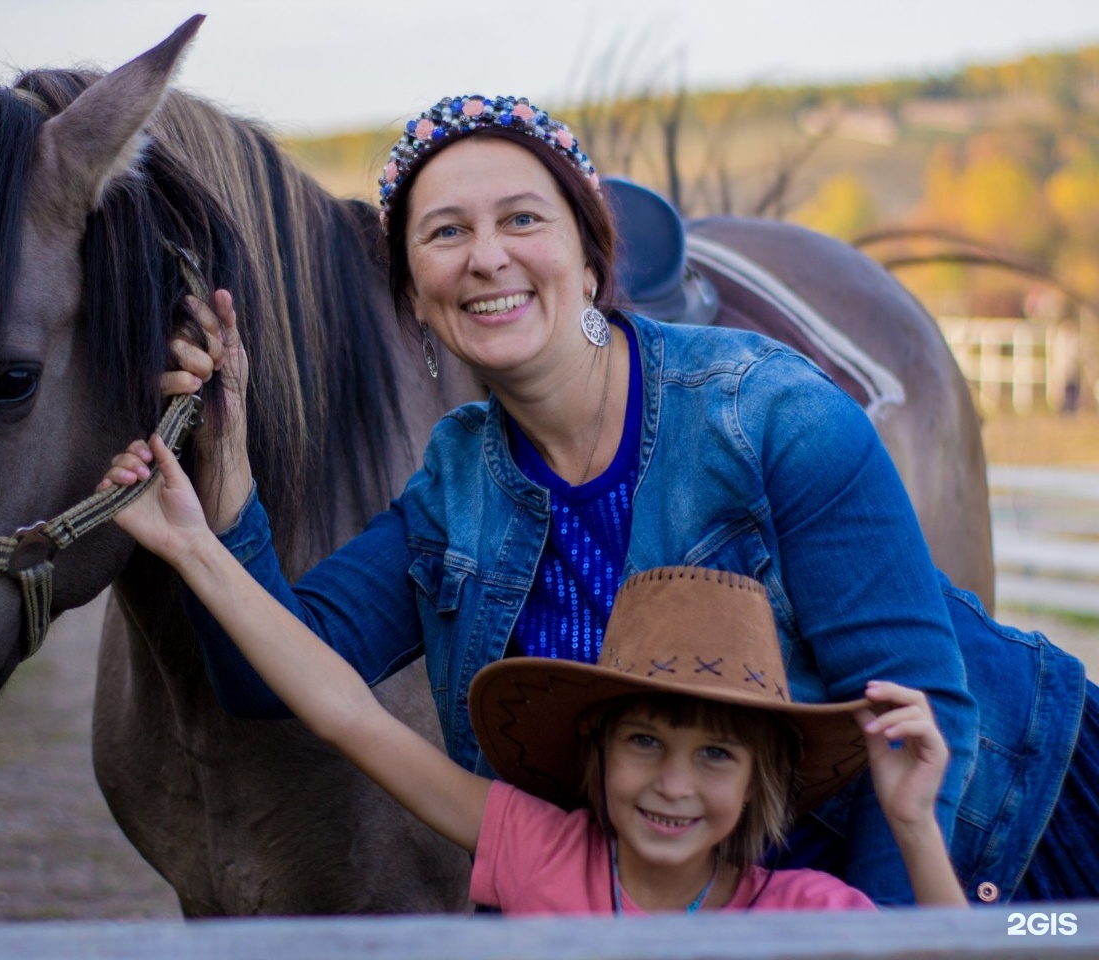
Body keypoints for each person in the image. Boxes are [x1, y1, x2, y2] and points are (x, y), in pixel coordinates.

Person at [115, 94, 1096, 905]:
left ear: (592, 260)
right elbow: (275, 679)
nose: (486, 257)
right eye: (445, 233)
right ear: (411, 296)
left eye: (522, 221)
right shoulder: (455, 482)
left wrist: (870, 945)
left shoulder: (776, 417)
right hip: (667, 908)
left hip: (975, 851)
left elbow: (917, 723)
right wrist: (227, 484)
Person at [107, 442, 968, 913]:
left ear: (761, 778)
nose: (672, 784)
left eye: (716, 755)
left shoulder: (806, 915)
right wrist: (194, 546)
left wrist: (913, 826)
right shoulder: (546, 856)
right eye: (644, 741)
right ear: (595, 749)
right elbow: (346, 713)